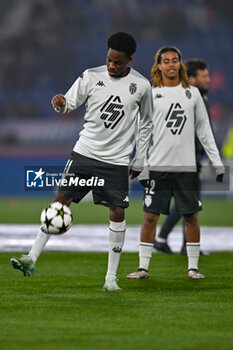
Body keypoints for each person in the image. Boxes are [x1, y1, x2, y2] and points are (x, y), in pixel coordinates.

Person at [10, 32, 153, 292]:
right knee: (59, 203)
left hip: (117, 160)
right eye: (109, 59)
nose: (111, 65)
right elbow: (69, 102)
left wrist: (140, 158)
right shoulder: (91, 76)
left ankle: (111, 278)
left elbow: (147, 124)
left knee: (117, 212)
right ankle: (31, 258)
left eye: (118, 62)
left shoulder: (142, 87)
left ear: (129, 60)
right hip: (85, 153)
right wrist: (60, 103)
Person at [126, 46, 224, 280]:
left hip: (186, 168)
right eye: (166, 61)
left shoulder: (193, 93)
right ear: (158, 66)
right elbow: (144, 131)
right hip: (158, 167)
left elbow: (204, 130)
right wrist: (139, 162)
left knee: (191, 216)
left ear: (180, 65)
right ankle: (143, 268)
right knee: (150, 216)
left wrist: (216, 161)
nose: (171, 65)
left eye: (175, 61)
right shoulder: (150, 93)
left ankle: (193, 267)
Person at [153, 59, 212, 255]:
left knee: (188, 202)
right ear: (192, 78)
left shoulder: (199, 97)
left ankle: (175, 243)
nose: (208, 80)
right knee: (188, 202)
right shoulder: (190, 98)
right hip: (186, 159)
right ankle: (166, 241)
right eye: (204, 76)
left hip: (191, 157)